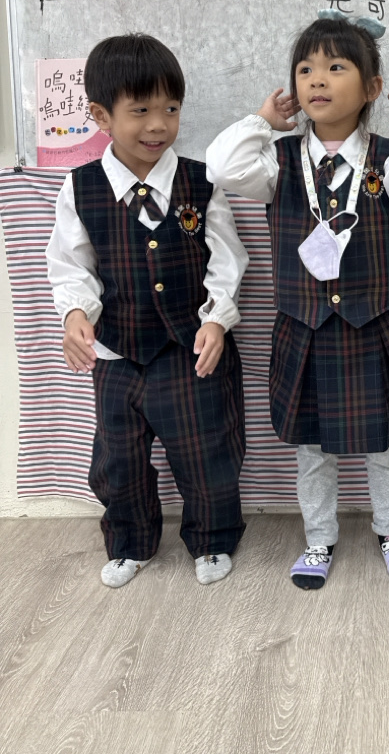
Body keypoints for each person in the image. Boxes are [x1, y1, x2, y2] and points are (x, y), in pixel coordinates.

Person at [206, 10, 389, 588]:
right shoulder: (277, 161)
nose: (317, 79)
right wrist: (263, 121)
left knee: (385, 443)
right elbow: (222, 166)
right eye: (306, 69)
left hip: (379, 325)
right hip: (306, 327)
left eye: (336, 67)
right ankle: (319, 538)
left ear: (370, 87)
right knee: (312, 448)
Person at [46, 34, 248, 588]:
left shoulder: (201, 182)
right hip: (116, 354)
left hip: (190, 350)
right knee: (120, 461)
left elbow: (227, 258)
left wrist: (216, 317)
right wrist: (75, 314)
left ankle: (212, 539)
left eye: (171, 109)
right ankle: (130, 542)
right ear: (101, 115)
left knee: (206, 452)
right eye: (140, 111)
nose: (158, 125)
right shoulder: (82, 188)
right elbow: (70, 264)